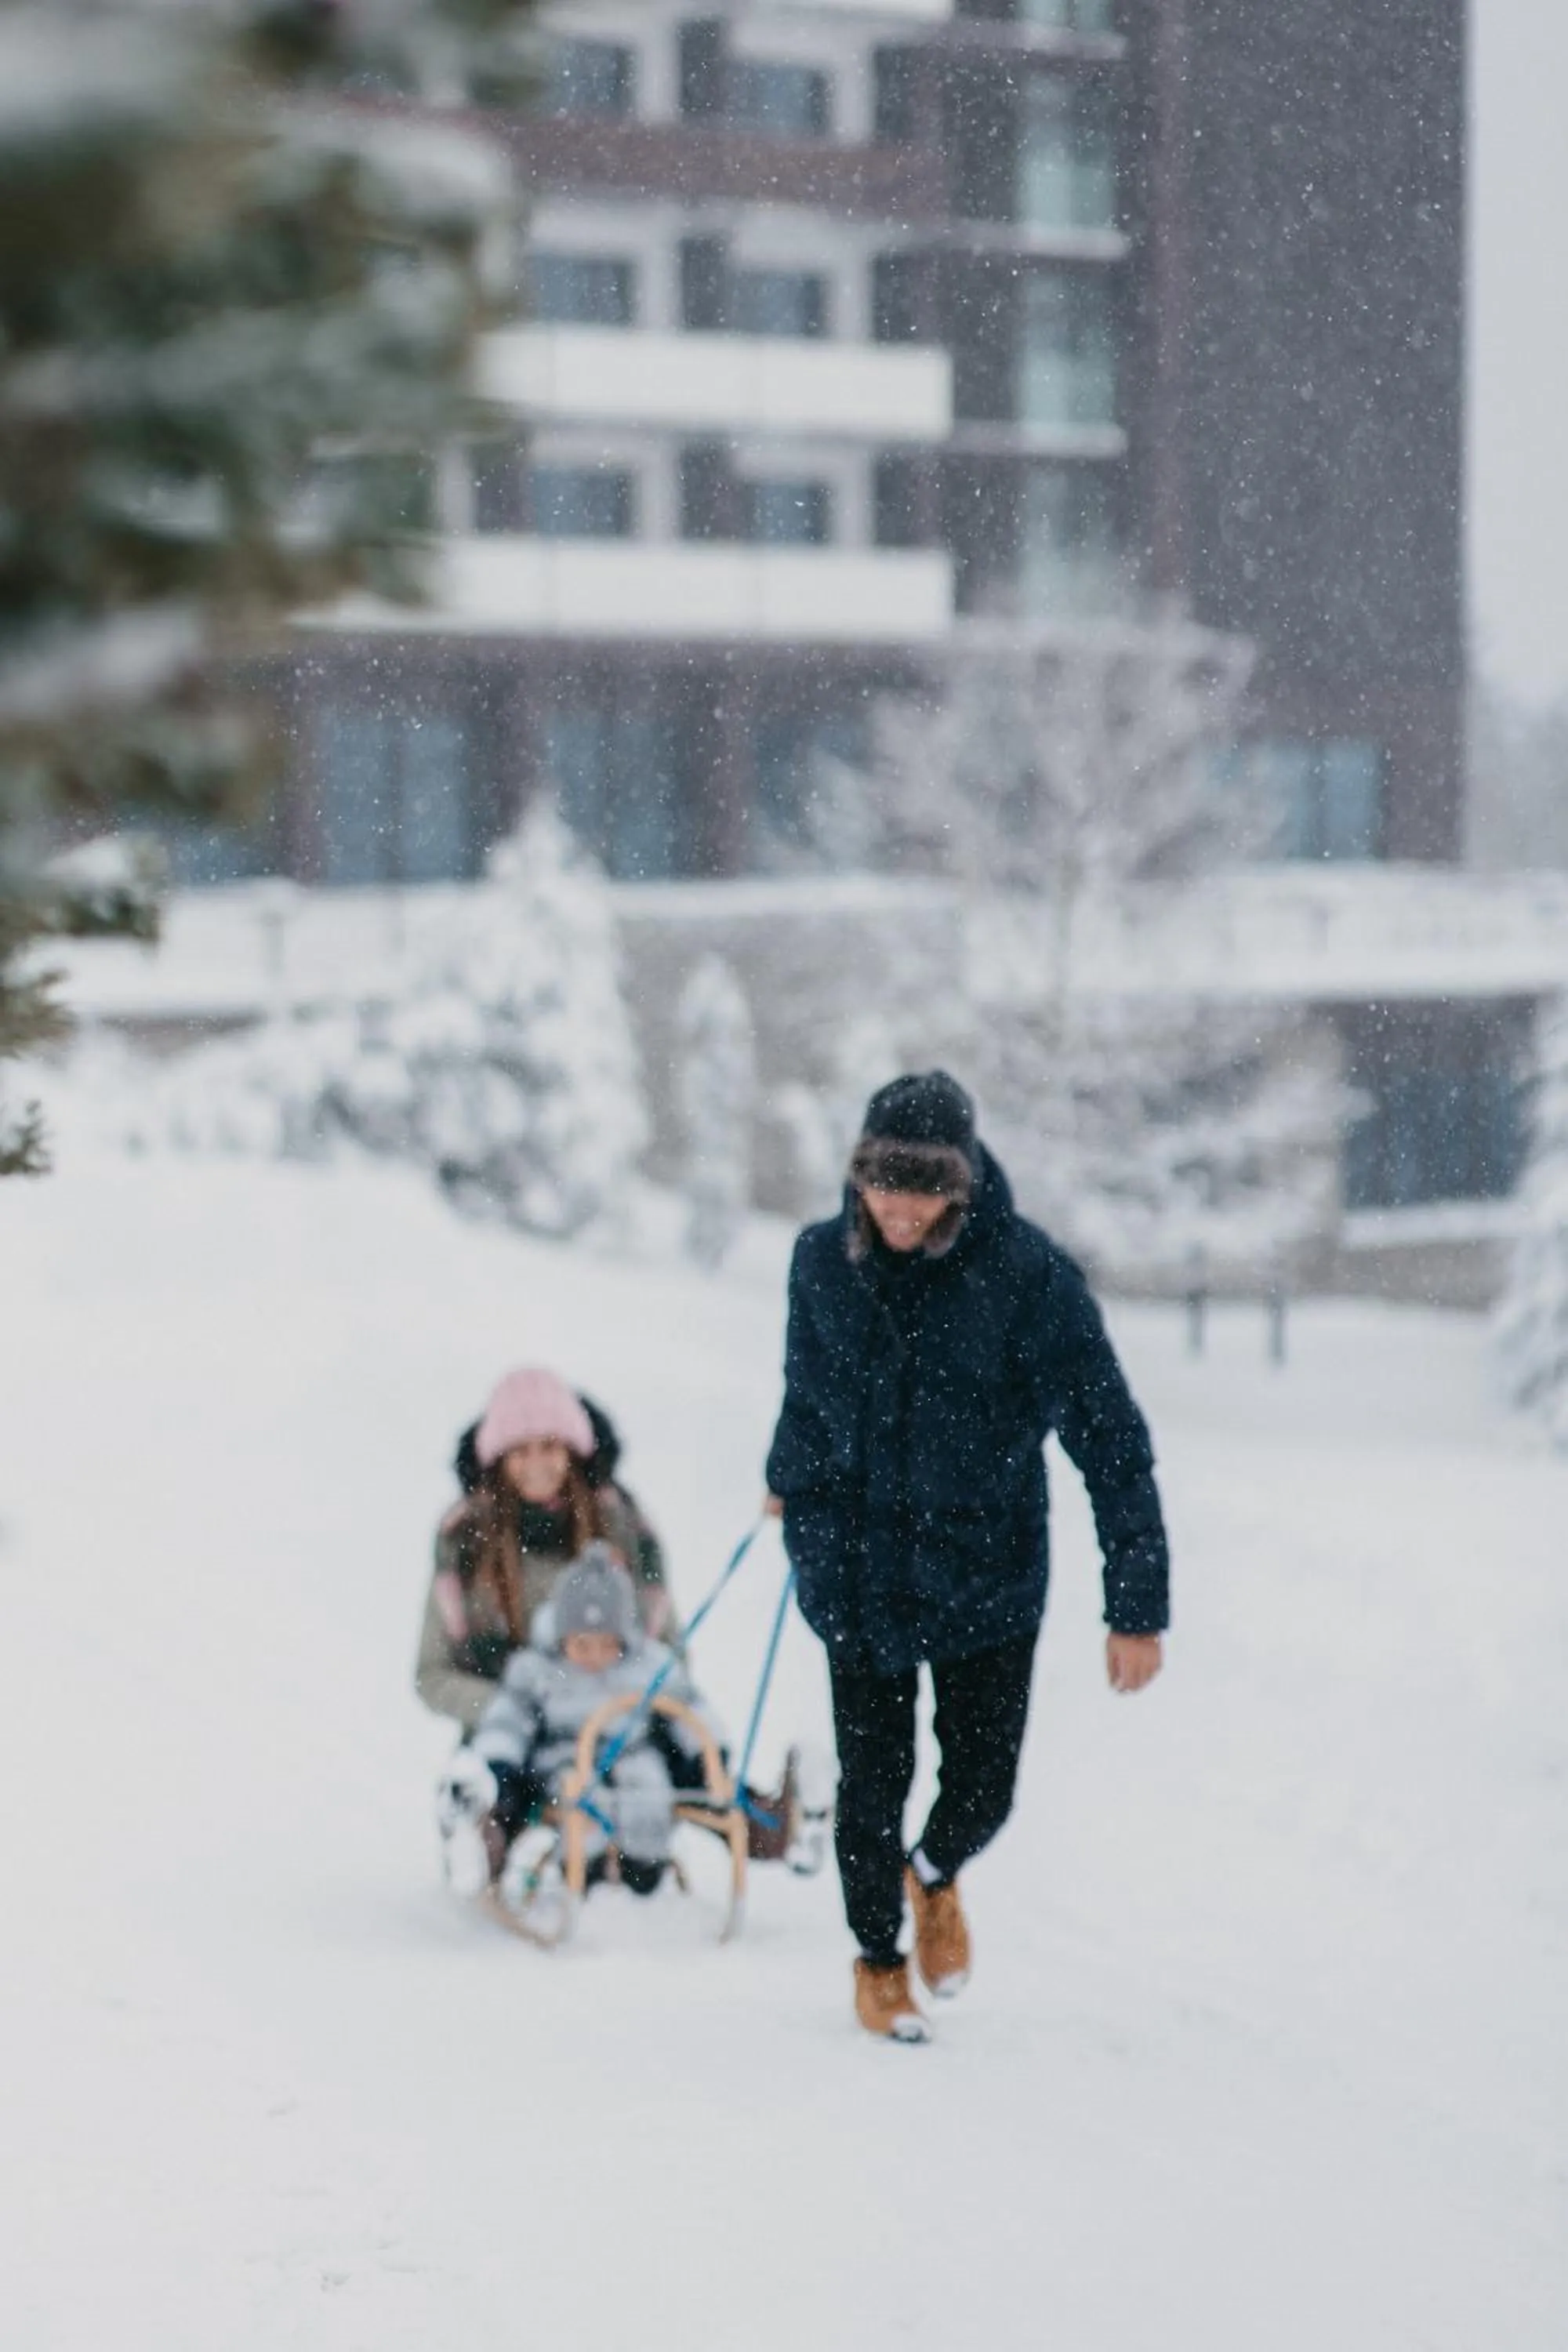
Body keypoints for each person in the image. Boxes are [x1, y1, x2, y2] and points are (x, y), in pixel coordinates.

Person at [765, 1071, 1169, 2044]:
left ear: (963, 1186)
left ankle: (935, 1873)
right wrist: (794, 1497)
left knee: (983, 1787)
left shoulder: (1027, 1277)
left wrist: (1136, 1604)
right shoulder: (820, 1261)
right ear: (856, 1178)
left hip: (986, 1575)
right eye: (881, 1185)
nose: (900, 1209)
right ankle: (876, 1960)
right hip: (859, 1572)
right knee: (872, 1785)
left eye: (924, 1187)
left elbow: (1109, 1438)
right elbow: (805, 1397)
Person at [437, 1548, 833, 1926]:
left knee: (677, 1790)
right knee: (563, 1802)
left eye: (606, 1645)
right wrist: (498, 1766)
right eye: (582, 1645)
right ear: (561, 1636)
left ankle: (781, 1829)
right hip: (566, 1764)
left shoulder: (649, 1665)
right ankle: (483, 1840)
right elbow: (507, 1722)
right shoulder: (536, 1670)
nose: (594, 1656)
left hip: (637, 1761)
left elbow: (690, 1709)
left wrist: (709, 1757)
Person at [416, 1367, 671, 1733]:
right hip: (509, 1744)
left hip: (618, 1732)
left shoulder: (621, 1528)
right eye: (519, 1450)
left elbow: (667, 1653)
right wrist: (514, 1709)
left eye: (549, 1446)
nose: (536, 1464)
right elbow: (432, 1674)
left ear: (571, 1452)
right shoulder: (467, 1540)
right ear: (499, 1459)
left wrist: (612, 1707)